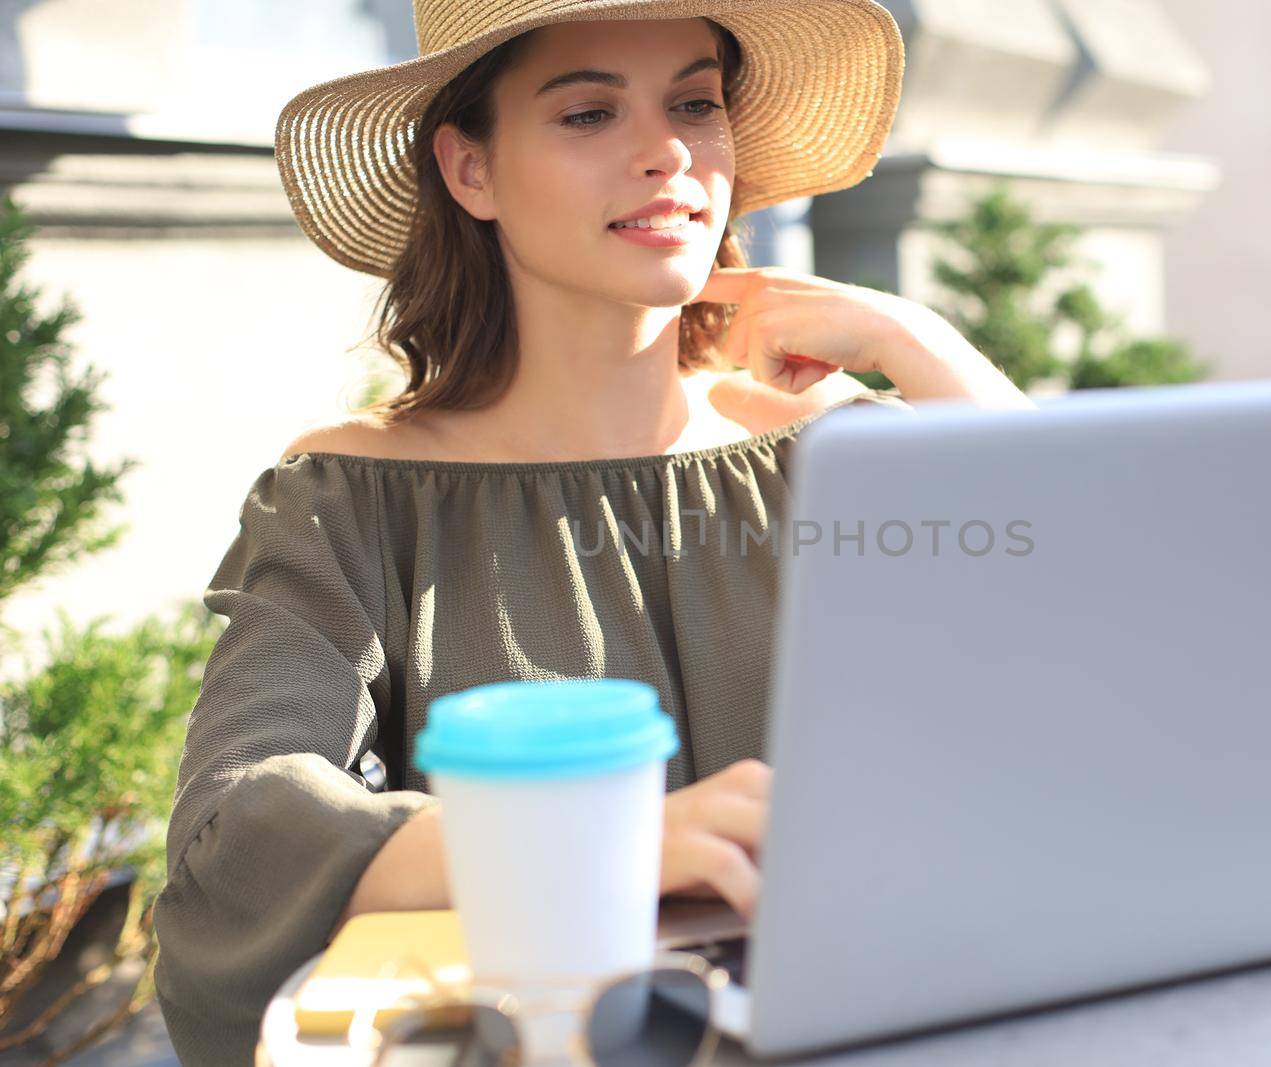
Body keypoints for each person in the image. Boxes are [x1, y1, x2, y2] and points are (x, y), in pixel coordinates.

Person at [151, 1, 1034, 1062]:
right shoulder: (353, 498)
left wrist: (917, 339)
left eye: (695, 104)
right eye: (586, 113)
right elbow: (237, 830)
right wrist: (583, 847)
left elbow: (1119, 653)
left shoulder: (842, 460)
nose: (666, 151)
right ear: (469, 170)